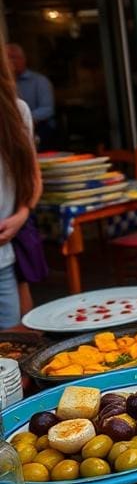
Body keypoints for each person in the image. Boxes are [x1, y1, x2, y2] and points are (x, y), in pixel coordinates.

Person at [0, 30, 41, 329]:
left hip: (3, 257)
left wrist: (22, 214)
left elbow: (33, 177)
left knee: (11, 352)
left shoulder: (15, 112)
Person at [5, 43, 55, 151]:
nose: (10, 62)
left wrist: (24, 119)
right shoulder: (5, 83)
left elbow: (47, 109)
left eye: (13, 57)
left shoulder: (39, 81)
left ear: (23, 59)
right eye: (7, 58)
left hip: (40, 128)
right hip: (13, 129)